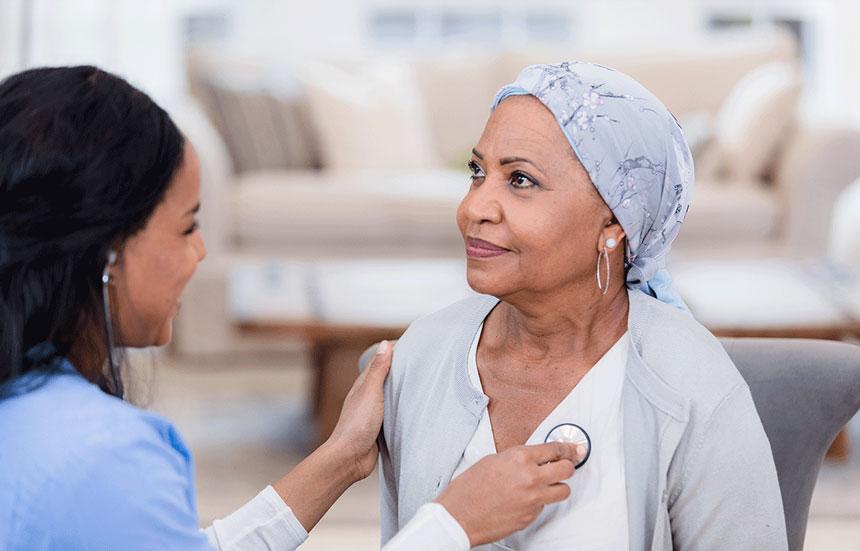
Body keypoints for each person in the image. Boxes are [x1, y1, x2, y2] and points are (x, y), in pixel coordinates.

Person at [0, 66, 584, 551]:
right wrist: (452, 523)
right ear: (109, 249)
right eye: (186, 227)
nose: (200, 252)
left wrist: (339, 458)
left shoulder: (33, 410)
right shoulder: (101, 461)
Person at [379, 62, 789, 550]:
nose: (473, 209)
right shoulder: (424, 356)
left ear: (614, 223)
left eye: (521, 180)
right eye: (477, 172)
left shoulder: (693, 385)